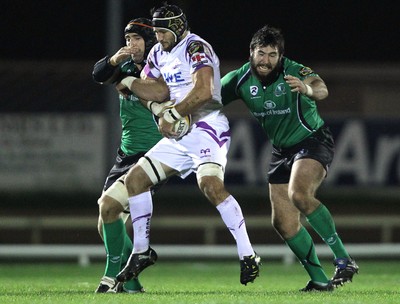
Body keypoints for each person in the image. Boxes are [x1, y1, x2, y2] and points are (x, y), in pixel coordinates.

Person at [114, 3, 261, 286]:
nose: (158, 37)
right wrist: (129, 81)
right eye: (155, 32)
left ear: (178, 27)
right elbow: (155, 90)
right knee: (135, 181)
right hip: (179, 132)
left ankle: (248, 255)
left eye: (162, 31)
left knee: (210, 186)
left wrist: (173, 112)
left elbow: (204, 90)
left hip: (207, 127)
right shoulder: (158, 52)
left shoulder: (196, 48)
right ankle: (141, 251)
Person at [221, 25, 359, 291]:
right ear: (251, 52)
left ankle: (344, 259)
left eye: (273, 55)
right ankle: (319, 281)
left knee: (299, 194)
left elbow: (321, 88)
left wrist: (307, 89)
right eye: (261, 53)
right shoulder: (238, 80)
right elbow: (209, 99)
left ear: (280, 56)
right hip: (281, 151)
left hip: (312, 140)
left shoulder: (293, 70)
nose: (266, 61)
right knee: (283, 223)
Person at [92, 17, 168, 293]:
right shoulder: (123, 64)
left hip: (153, 154)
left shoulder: (162, 67)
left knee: (108, 205)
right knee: (105, 223)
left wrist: (127, 80)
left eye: (136, 39)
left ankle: (111, 277)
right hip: (125, 153)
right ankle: (133, 282)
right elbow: (98, 74)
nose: (131, 45)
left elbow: (159, 93)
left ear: (149, 42)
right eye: (127, 40)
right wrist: (113, 62)